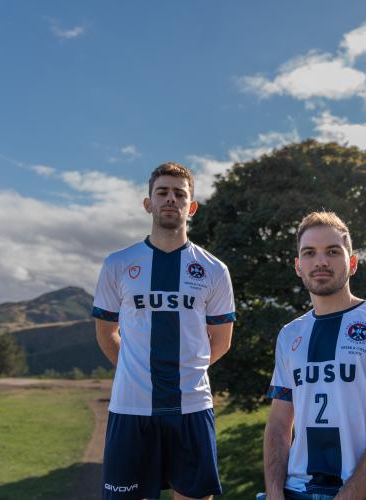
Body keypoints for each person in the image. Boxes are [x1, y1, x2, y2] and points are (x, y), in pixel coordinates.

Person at [93, 162, 236, 500]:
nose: (171, 199)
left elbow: (222, 340)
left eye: (179, 194)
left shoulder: (214, 270)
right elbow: (106, 333)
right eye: (162, 192)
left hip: (192, 408)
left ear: (192, 206)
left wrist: (186, 372)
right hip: (131, 408)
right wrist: (136, 371)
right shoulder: (118, 264)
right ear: (149, 203)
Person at [262, 211, 366, 500]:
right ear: (298, 266)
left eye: (332, 252)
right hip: (299, 490)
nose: (320, 261)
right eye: (309, 253)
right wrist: (274, 494)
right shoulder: (289, 335)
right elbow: (277, 425)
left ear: (352, 263)